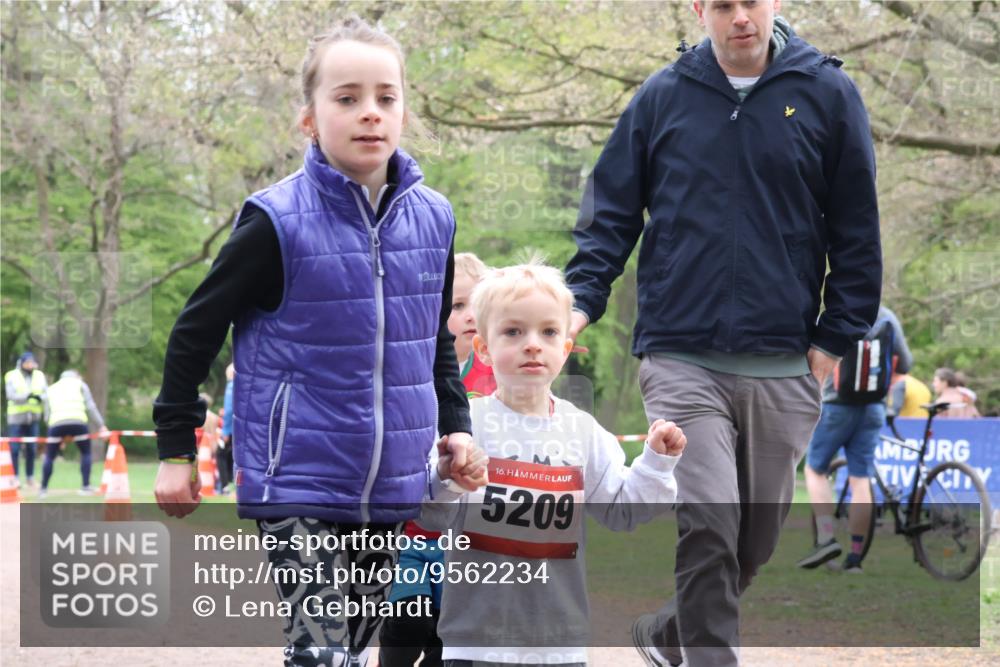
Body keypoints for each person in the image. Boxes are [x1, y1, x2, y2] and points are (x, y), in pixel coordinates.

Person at [151, 17, 487, 666]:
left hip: (392, 483)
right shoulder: (275, 222)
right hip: (296, 477)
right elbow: (196, 330)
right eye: (347, 98)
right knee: (323, 650)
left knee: (350, 648)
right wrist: (174, 447)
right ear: (309, 118)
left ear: (404, 112)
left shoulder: (435, 218)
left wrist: (456, 426)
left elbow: (433, 340)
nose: (370, 113)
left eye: (385, 97)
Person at [562, 2, 882, 665]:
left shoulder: (828, 94)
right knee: (709, 522)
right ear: (699, 9)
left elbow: (857, 228)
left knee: (752, 543)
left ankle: (669, 634)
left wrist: (832, 340)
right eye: (723, 4)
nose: (740, 17)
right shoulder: (663, 95)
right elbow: (610, 212)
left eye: (751, 1)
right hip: (680, 351)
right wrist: (579, 302)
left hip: (784, 359)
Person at [419, 259, 686, 666]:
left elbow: (623, 510)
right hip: (475, 641)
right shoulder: (465, 428)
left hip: (559, 641)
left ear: (564, 349)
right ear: (484, 349)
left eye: (548, 332)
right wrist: (448, 476)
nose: (532, 344)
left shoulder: (583, 431)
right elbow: (430, 515)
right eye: (513, 331)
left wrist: (656, 463)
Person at [379, 251, 496, 667]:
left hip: (465, 541)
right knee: (408, 625)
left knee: (445, 641)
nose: (468, 316)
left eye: (476, 306)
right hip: (409, 531)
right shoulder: (412, 371)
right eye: (457, 305)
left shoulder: (499, 381)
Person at [798, 306, 911, 573]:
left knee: (815, 470)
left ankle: (826, 538)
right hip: (873, 407)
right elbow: (905, 364)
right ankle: (856, 557)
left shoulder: (830, 313)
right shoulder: (887, 317)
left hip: (836, 406)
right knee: (861, 479)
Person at [40, 369, 107, 498]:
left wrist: (57, 437)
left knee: (49, 456)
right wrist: (101, 425)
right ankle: (85, 486)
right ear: (76, 376)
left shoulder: (51, 388)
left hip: (56, 424)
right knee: (86, 453)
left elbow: (47, 415)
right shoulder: (81, 385)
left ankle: (43, 489)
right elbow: (91, 407)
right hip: (78, 422)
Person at [4, 351, 48, 487]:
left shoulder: (39, 376)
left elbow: (46, 394)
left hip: (33, 418)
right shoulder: (11, 375)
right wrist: (26, 396)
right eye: (27, 363)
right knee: (14, 449)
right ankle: (15, 478)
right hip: (16, 418)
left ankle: (30, 478)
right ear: (21, 363)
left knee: (32, 449)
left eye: (32, 362)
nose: (30, 365)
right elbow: (10, 395)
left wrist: (40, 398)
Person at [217, 363, 235, 494]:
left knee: (221, 455)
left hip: (231, 428)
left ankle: (225, 486)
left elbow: (229, 410)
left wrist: (225, 430)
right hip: (242, 428)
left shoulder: (231, 386)